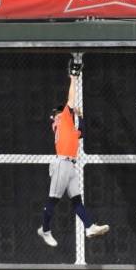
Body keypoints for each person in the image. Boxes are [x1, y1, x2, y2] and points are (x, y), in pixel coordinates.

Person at [37, 56, 109, 248]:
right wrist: (74, 77)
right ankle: (45, 230)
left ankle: (89, 227)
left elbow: (81, 134)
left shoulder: (66, 126)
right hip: (62, 163)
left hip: (70, 166)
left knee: (77, 200)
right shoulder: (61, 118)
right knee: (53, 200)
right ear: (58, 114)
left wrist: (80, 116)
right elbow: (70, 100)